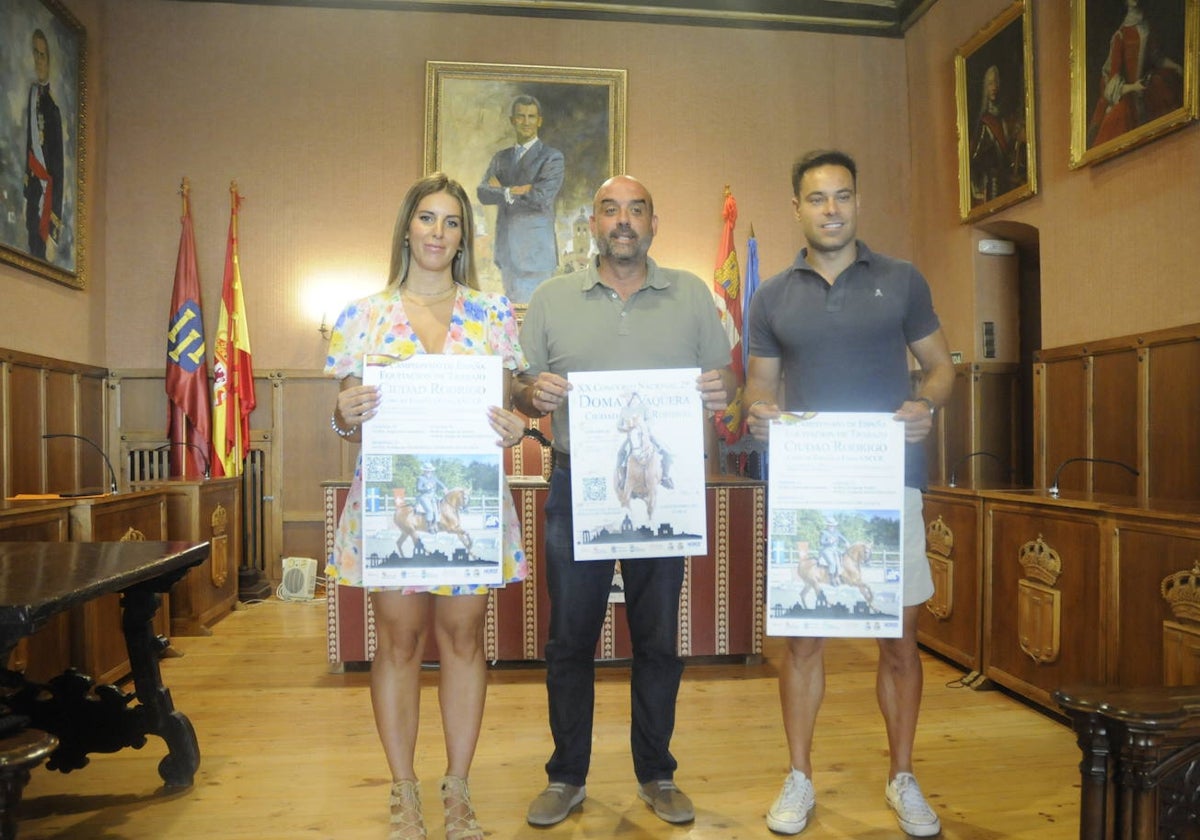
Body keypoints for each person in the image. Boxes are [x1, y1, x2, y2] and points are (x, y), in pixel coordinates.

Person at [744, 150, 955, 837]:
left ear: (858, 203)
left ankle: (902, 777)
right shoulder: (771, 295)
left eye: (842, 196)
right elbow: (759, 387)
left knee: (900, 639)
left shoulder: (902, 281)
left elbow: (941, 369)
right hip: (808, 489)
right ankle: (799, 777)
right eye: (816, 198)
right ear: (796, 208)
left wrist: (925, 404)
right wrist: (760, 413)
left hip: (889, 483)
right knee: (804, 640)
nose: (830, 209)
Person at [512, 175, 734, 828]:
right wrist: (535, 395)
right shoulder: (551, 300)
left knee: (660, 639)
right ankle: (567, 777)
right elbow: (521, 388)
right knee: (569, 641)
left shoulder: (693, 295)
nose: (624, 221)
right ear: (592, 224)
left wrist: (725, 391)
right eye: (611, 210)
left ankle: (657, 772)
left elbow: (730, 377)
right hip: (578, 490)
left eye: (636, 210)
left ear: (653, 223)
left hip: (667, 491)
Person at [324, 172, 532, 840]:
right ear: (407, 228)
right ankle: (403, 794)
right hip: (390, 503)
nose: (437, 233)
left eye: (450, 222)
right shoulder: (363, 313)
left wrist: (514, 426)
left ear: (463, 237)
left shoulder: (495, 314)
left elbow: (509, 406)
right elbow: (350, 417)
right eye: (426, 218)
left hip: (467, 503)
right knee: (399, 642)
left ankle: (458, 792)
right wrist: (342, 413)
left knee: (465, 638)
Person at [477, 95, 565, 303]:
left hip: (536, 255)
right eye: (521, 116)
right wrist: (512, 191)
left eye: (531, 117)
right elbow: (482, 192)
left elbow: (540, 198)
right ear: (512, 121)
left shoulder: (552, 157)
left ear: (539, 121)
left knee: (535, 320)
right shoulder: (501, 158)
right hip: (506, 252)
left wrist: (502, 191)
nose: (526, 122)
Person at [1088, 0, 1184, 148]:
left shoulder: (1146, 27)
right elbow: (1112, 84)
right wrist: (1134, 87)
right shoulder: (1120, 36)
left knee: (1163, 83)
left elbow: (1156, 58)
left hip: (1144, 91)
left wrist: (1178, 67)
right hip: (1128, 94)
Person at [24, 28, 64, 263]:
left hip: (45, 207)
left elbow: (58, 172)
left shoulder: (52, 110)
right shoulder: (30, 98)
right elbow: (28, 151)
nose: (39, 61)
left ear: (49, 61)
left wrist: (53, 232)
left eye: (43, 55)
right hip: (32, 199)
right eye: (35, 54)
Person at [970, 65, 1025, 203]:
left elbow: (1007, 153)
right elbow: (976, 158)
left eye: (995, 82)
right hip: (992, 182)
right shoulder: (985, 122)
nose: (994, 86)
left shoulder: (1002, 120)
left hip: (1006, 181)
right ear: (986, 88)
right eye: (990, 83)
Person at [416, 462, 448, 533]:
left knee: (437, 510)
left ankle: (435, 524)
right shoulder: (421, 478)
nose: (428, 471)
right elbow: (418, 488)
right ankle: (429, 526)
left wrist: (444, 488)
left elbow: (440, 483)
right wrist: (426, 488)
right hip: (424, 496)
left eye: (429, 470)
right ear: (424, 471)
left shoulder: (434, 478)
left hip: (433, 496)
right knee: (430, 510)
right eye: (426, 470)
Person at [817, 516, 849, 585]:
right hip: (826, 550)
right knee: (832, 563)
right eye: (830, 526)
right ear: (827, 526)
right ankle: (831, 579)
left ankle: (839, 576)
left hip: (835, 550)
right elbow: (821, 542)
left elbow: (843, 538)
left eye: (833, 526)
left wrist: (847, 542)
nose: (831, 527)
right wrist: (829, 542)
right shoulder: (824, 532)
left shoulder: (836, 532)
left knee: (842, 560)